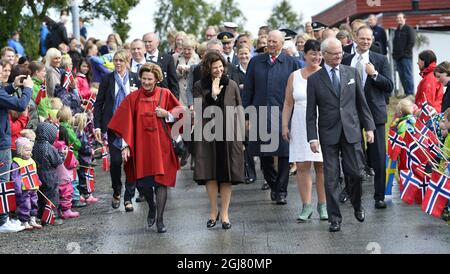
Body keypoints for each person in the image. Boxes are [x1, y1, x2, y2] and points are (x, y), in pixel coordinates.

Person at [306, 37, 375, 232]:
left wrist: (369, 128)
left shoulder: (351, 73)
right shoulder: (314, 80)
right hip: (328, 134)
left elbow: (362, 104)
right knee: (331, 177)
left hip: (351, 131)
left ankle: (357, 204)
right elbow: (311, 112)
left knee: (356, 173)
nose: (339, 56)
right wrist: (312, 138)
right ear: (324, 55)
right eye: (334, 53)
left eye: (340, 53)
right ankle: (334, 218)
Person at [108, 63, 183, 233]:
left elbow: (181, 112)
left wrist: (167, 114)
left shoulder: (165, 94)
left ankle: (160, 220)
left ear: (157, 79)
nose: (146, 82)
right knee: (145, 184)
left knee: (161, 182)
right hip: (142, 147)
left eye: (150, 79)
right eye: (144, 79)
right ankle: (152, 207)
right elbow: (124, 122)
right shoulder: (133, 98)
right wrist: (125, 146)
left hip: (162, 145)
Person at [243, 30, 300, 204]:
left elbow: (297, 91)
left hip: (284, 114)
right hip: (260, 113)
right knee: (264, 154)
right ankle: (274, 185)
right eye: (269, 41)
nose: (271, 44)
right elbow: (248, 90)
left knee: (284, 154)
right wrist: (247, 115)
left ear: (282, 44)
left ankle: (281, 191)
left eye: (275, 41)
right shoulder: (255, 62)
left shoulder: (291, 63)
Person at [342, 26, 394, 209]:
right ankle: (349, 191)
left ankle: (379, 195)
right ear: (355, 38)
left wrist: (375, 74)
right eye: (362, 38)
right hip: (352, 113)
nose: (365, 42)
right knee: (350, 154)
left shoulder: (379, 59)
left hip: (375, 113)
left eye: (369, 39)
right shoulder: (346, 60)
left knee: (378, 156)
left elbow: (389, 86)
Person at [193, 51, 245, 229]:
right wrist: (212, 95)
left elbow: (239, 109)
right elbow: (199, 110)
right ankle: (213, 211)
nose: (218, 70)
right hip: (208, 135)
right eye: (215, 67)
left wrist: (242, 138)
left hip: (229, 135)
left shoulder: (231, 84)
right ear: (208, 68)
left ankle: (225, 215)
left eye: (221, 66)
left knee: (227, 177)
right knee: (210, 175)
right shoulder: (200, 85)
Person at [282, 39, 328, 222]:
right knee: (302, 165)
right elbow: (287, 102)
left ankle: (323, 205)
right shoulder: (295, 75)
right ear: (305, 55)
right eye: (313, 53)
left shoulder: (326, 74)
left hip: (322, 122)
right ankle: (306, 205)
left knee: (322, 165)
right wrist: (285, 125)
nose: (317, 57)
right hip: (300, 122)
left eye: (319, 53)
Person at [94, 50, 141, 211]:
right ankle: (116, 190)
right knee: (115, 162)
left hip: (132, 127)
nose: (118, 63)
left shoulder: (135, 78)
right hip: (113, 126)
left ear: (127, 61)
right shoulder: (107, 79)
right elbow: (98, 103)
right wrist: (98, 125)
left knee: (131, 163)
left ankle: (128, 197)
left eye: (121, 60)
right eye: (116, 60)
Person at [0, 73, 32, 233]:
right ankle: (2, 221)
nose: (4, 74)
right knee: (3, 182)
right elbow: (20, 105)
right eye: (1, 71)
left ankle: (4, 219)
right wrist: (28, 89)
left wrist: (12, 86)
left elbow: (2, 93)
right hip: (1, 143)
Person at [32, 122, 65, 226]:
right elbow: (57, 162)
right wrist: (62, 154)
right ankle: (51, 217)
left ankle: (41, 215)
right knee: (52, 196)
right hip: (49, 175)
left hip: (37, 174)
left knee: (40, 196)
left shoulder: (34, 145)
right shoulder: (49, 147)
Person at [11, 137, 43, 230]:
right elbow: (15, 177)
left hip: (33, 187)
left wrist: (38, 182)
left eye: (30, 150)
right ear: (20, 151)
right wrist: (17, 188)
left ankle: (32, 219)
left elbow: (34, 173)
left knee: (34, 202)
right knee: (25, 204)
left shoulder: (31, 160)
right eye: (26, 150)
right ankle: (24, 220)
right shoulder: (16, 162)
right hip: (24, 188)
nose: (29, 152)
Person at [143, 32, 179, 98]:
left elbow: (173, 83)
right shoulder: (142, 59)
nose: (147, 44)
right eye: (145, 42)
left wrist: (175, 102)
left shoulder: (167, 58)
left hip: (162, 98)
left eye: (150, 41)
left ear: (157, 43)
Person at [393, 13, 416, 97]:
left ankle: (410, 94)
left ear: (404, 18)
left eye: (400, 18)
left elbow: (412, 42)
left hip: (406, 57)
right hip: (398, 57)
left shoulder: (408, 28)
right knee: (402, 76)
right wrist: (394, 54)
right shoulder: (397, 30)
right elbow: (395, 43)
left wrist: (405, 53)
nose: (399, 19)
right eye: (397, 18)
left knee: (407, 75)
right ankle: (407, 93)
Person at [175, 39, 200, 106]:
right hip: (180, 91)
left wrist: (190, 69)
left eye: (189, 49)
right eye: (184, 49)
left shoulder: (198, 58)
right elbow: (173, 76)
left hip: (192, 90)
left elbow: (199, 75)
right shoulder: (176, 57)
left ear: (193, 48)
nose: (186, 52)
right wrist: (179, 71)